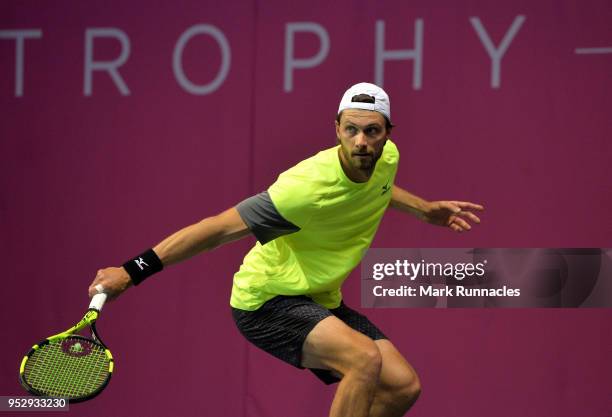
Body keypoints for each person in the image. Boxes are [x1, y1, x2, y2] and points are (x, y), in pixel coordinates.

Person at [88, 82, 484, 417]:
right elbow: (216, 230)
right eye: (351, 130)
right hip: (266, 300)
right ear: (336, 129)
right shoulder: (304, 189)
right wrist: (131, 271)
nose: (361, 142)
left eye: (372, 132)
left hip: (318, 296)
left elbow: (378, 187)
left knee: (402, 386)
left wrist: (425, 210)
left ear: (387, 134)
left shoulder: (386, 159)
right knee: (363, 359)